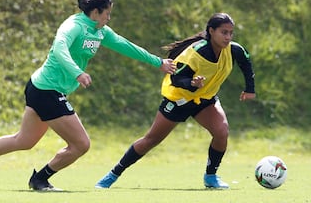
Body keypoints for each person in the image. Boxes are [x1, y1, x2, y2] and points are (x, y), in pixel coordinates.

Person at [0, 0, 176, 191]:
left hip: (43, 89)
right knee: (81, 144)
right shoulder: (74, 26)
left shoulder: (101, 31)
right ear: (96, 12)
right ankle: (40, 179)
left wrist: (158, 63)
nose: (109, 18)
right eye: (107, 13)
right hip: (47, 90)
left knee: (23, 141)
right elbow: (59, 48)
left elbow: (125, 45)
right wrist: (77, 72)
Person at [95, 12, 256, 189]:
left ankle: (211, 177)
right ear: (211, 31)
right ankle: (113, 174)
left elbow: (246, 64)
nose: (228, 37)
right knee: (152, 139)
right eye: (224, 32)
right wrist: (192, 83)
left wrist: (250, 89)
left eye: (231, 33)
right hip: (180, 99)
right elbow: (176, 79)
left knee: (222, 132)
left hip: (204, 99)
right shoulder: (196, 52)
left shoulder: (234, 50)